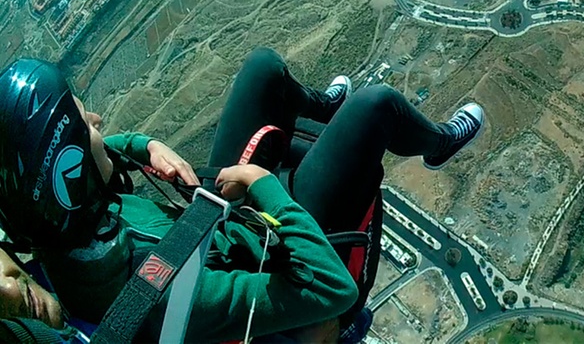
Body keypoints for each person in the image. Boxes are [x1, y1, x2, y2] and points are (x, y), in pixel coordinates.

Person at [0, 47, 484, 342]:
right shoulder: (149, 294)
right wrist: (263, 186)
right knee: (377, 107)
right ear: (73, 176)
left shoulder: (64, 233)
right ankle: (438, 144)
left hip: (217, 223)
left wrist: (144, 146)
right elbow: (330, 290)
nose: (100, 122)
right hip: (275, 249)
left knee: (263, 69)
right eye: (87, 126)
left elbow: (97, 167)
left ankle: (322, 106)